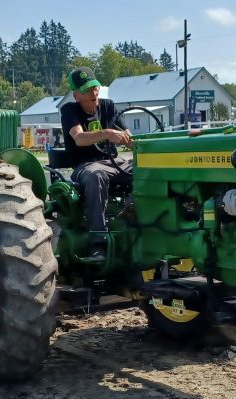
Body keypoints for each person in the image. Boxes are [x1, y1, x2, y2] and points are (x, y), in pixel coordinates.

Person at [60, 66, 133, 262]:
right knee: (96, 176)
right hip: (86, 166)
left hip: (114, 162)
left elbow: (129, 138)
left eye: (95, 87)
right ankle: (98, 243)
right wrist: (107, 133)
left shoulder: (108, 106)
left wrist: (138, 145)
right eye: (86, 90)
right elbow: (79, 138)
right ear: (76, 95)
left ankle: (135, 215)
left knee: (144, 169)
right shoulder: (69, 110)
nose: (93, 93)